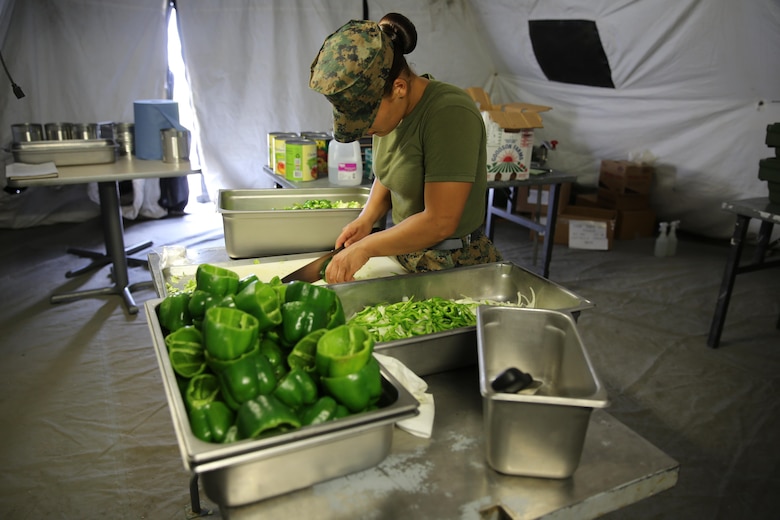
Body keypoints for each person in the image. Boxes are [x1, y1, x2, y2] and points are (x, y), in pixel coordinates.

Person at [309, 12, 503, 283]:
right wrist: (366, 220)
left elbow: (440, 221)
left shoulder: (449, 113)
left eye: (366, 121)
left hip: (450, 265)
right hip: (404, 255)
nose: (365, 130)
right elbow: (389, 174)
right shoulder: (391, 114)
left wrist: (366, 247)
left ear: (399, 87)